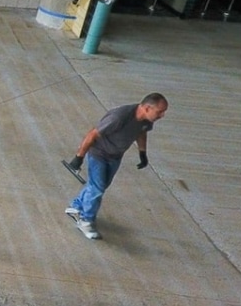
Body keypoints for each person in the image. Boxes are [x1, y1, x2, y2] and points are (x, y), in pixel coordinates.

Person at [64, 92, 169, 240]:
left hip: (115, 156)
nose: (162, 115)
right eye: (160, 112)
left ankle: (76, 206)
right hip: (99, 154)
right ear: (146, 108)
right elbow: (92, 134)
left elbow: (141, 132)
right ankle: (86, 220)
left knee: (100, 186)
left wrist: (142, 153)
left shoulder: (146, 120)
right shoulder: (119, 117)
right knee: (97, 188)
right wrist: (79, 157)